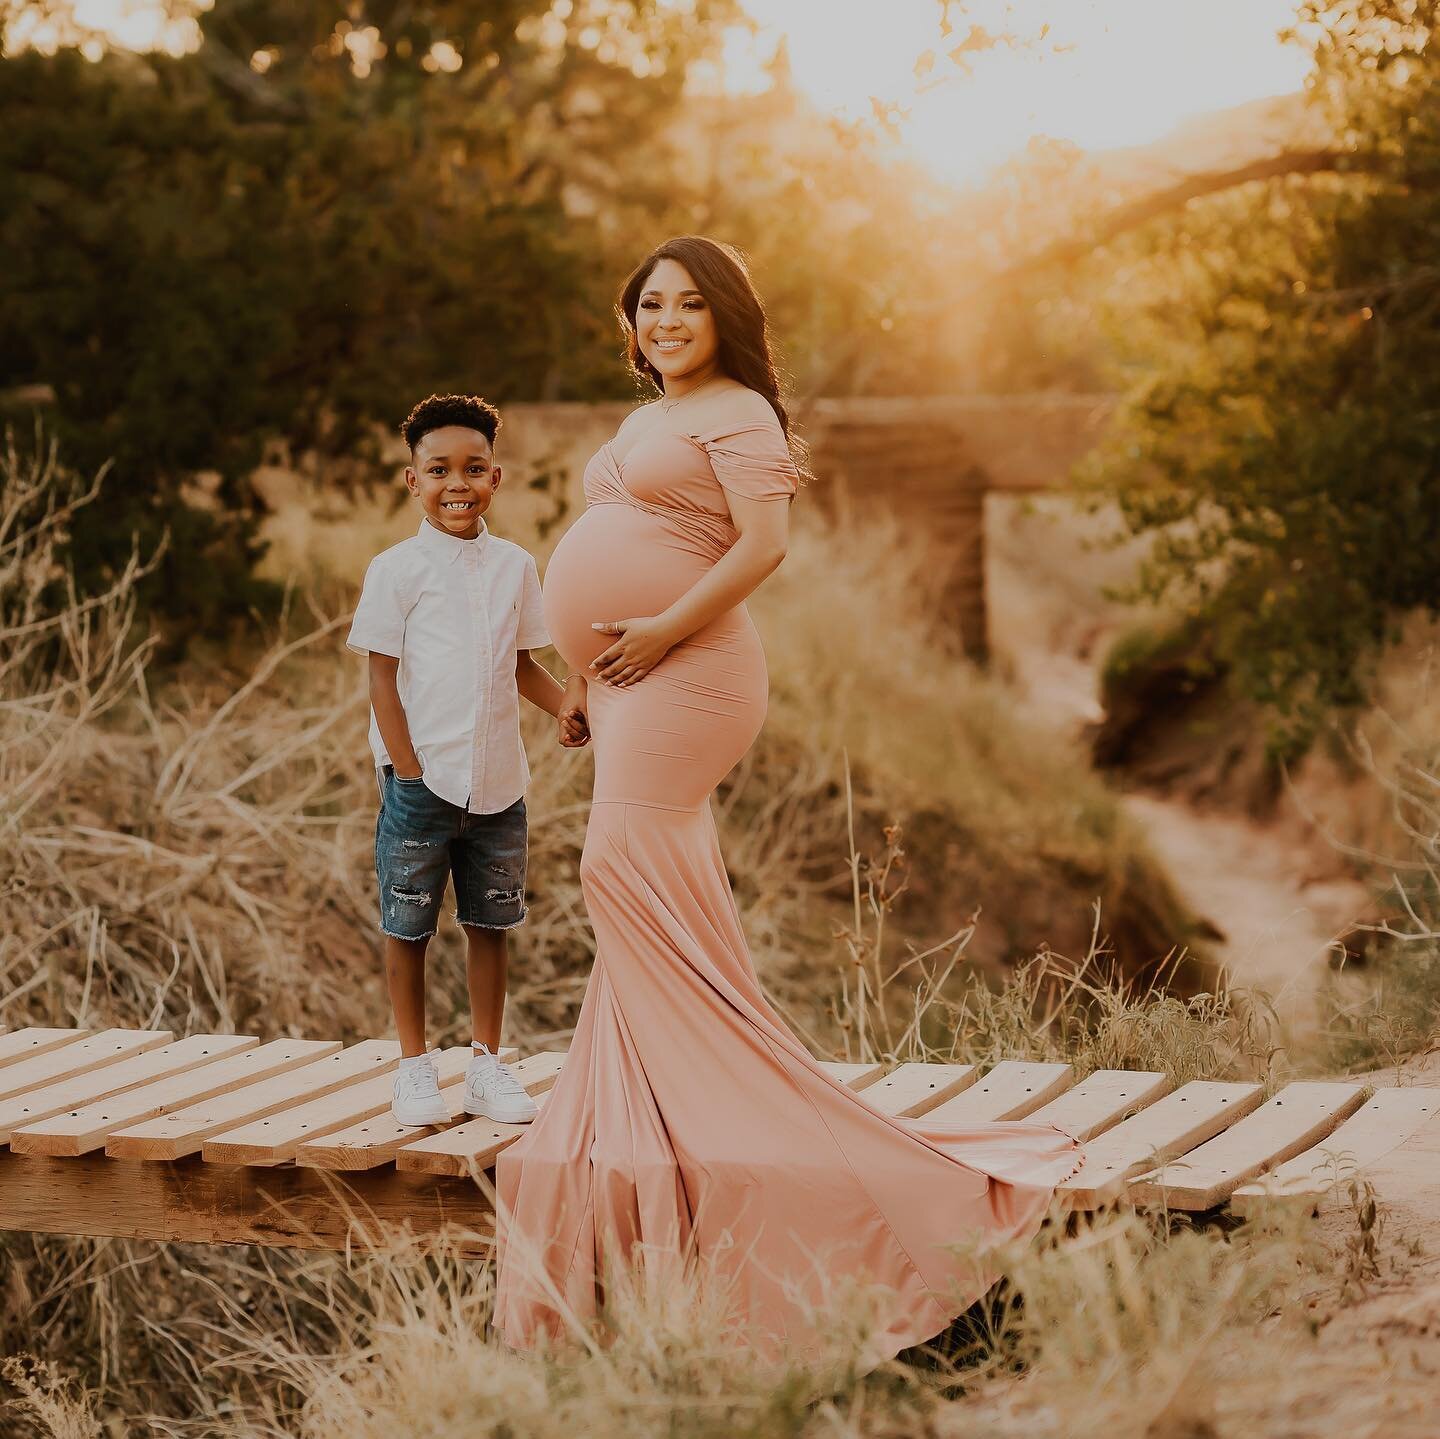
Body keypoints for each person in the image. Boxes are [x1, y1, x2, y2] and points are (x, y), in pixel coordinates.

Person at [493, 238, 1084, 1361]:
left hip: (694, 669)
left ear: (725, 317)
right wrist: (579, 679)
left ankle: (732, 1103)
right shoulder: (648, 417)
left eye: (687, 304)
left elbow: (764, 545)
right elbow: (622, 551)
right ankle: (669, 1095)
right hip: (624, 684)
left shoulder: (741, 413)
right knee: (651, 882)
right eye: (649, 303)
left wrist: (662, 627)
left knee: (616, 866)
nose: (665, 319)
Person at [346, 394, 589, 1129]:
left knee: (492, 922)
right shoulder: (396, 570)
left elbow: (521, 664)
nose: (459, 482)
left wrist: (567, 710)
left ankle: (486, 1063)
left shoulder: (515, 566)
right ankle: (415, 1067)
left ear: (497, 477)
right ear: (411, 480)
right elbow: (382, 678)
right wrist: (409, 770)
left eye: (474, 468)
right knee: (409, 922)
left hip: (499, 784)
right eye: (439, 468)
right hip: (421, 781)